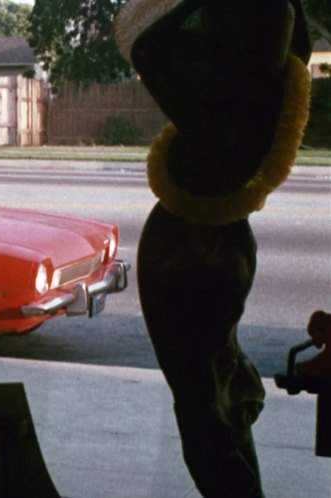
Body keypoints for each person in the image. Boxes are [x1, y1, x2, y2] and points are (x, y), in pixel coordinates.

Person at [113, 0, 312, 496]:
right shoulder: (277, 81)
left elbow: (146, 45)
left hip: (186, 241)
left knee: (198, 396)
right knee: (216, 372)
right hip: (229, 235)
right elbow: (299, 35)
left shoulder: (213, 97)